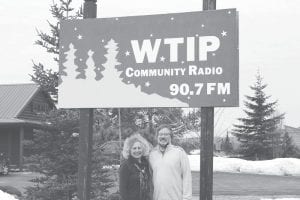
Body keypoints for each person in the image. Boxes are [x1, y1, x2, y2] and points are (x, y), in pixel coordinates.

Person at [149, 124, 192, 200]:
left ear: (171, 137)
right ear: (157, 137)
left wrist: (187, 198)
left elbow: (187, 177)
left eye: (166, 134)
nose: (163, 137)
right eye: (160, 134)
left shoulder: (179, 152)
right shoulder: (152, 155)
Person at [119, 134, 153, 200]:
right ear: (129, 150)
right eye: (134, 148)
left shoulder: (146, 164)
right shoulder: (125, 166)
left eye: (139, 148)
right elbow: (123, 191)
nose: (137, 151)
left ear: (143, 149)